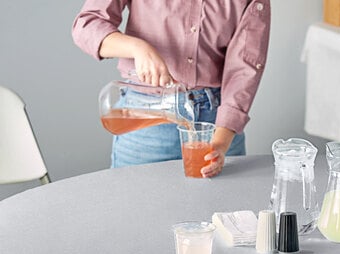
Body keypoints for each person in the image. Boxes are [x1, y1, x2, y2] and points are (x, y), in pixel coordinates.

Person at [72, 0, 271, 177]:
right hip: (146, 120)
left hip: (217, 123)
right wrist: (138, 48)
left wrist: (221, 142)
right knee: (136, 211)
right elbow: (87, 25)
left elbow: (244, 66)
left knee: (220, 213)